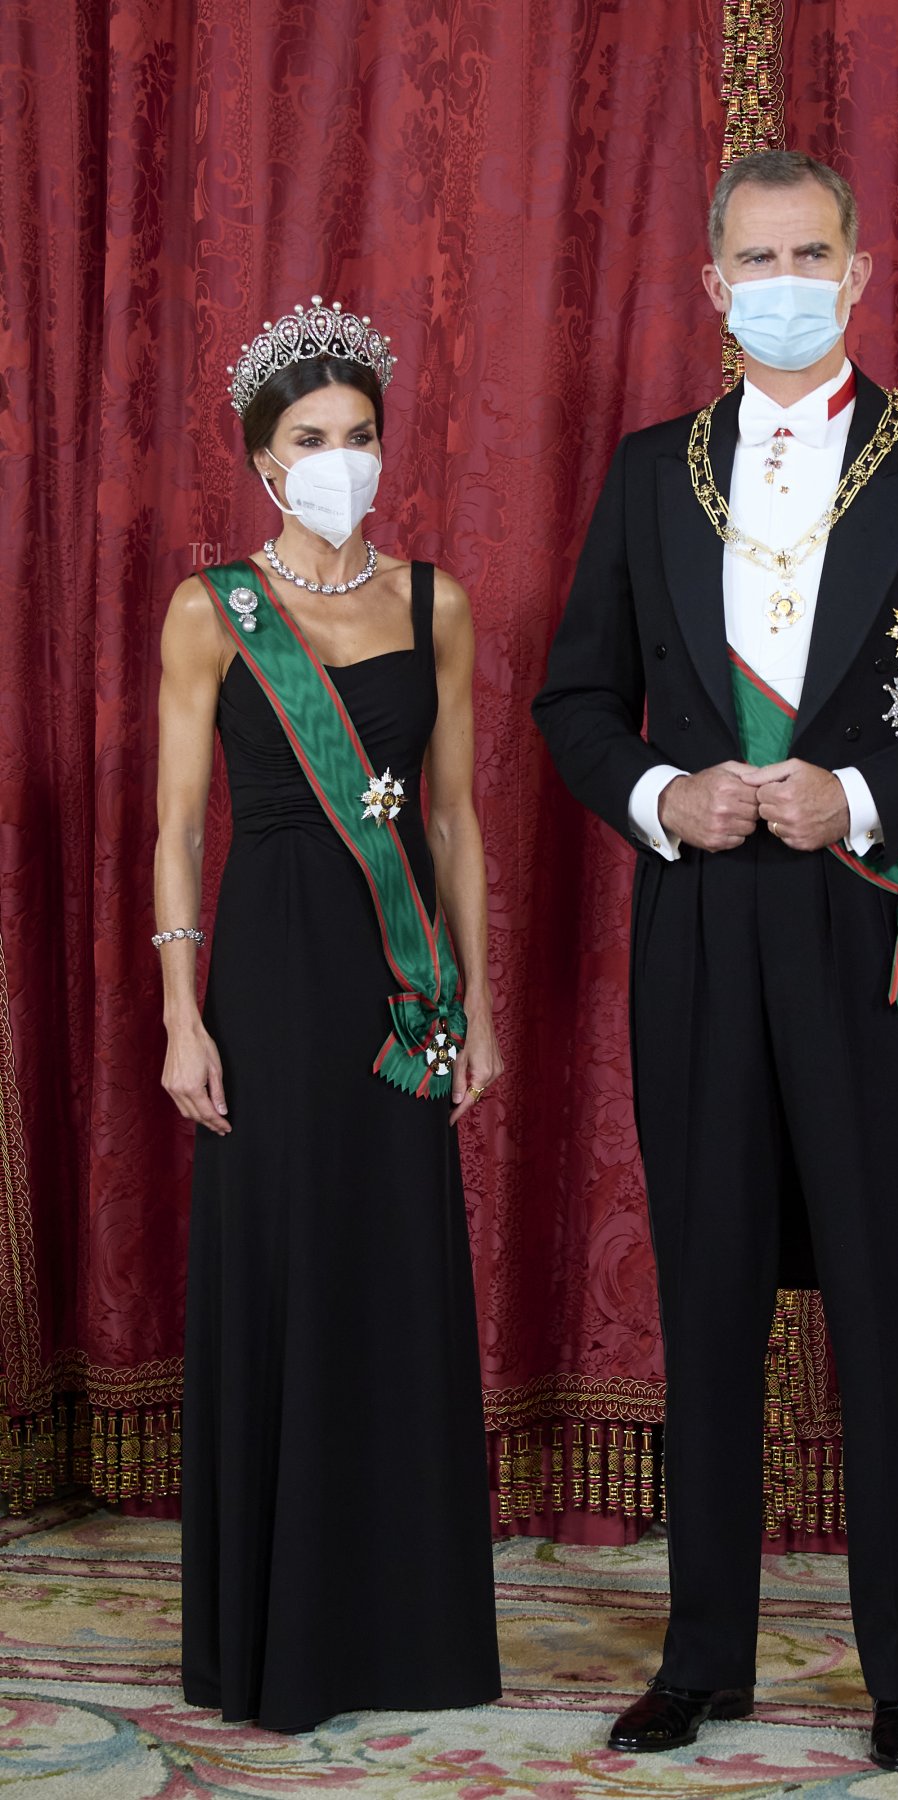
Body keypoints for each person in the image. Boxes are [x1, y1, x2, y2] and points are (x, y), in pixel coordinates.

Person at [533, 152, 898, 1773]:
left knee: (886, 1302)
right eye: (752, 256)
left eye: (809, 252)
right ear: (712, 285)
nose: (781, 278)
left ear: (854, 273)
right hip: (699, 925)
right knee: (704, 1297)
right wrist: (654, 792)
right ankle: (707, 1660)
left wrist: (860, 788)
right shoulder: (644, 475)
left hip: (874, 920)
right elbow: (571, 703)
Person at [154, 297, 502, 1733]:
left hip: (399, 977)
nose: (340, 459)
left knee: (393, 1277)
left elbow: (459, 820)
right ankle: (275, 1640)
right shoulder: (209, 611)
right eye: (311, 440)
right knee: (286, 1268)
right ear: (261, 457)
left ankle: (402, 1631)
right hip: (272, 975)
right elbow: (176, 828)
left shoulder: (439, 604)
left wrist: (479, 1005)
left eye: (361, 436)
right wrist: (181, 1012)